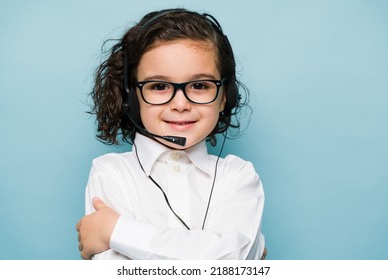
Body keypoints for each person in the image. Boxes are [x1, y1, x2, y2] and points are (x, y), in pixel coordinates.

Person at [76, 8, 266, 260]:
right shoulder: (110, 172)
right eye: (159, 86)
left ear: (224, 97)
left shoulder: (238, 176)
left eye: (199, 86)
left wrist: (116, 230)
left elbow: (229, 262)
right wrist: (224, 250)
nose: (180, 104)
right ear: (132, 98)